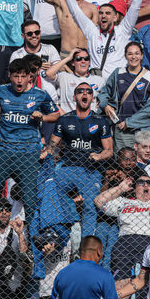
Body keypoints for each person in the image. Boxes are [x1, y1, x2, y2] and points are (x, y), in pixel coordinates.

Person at [0, 58, 59, 235]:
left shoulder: (40, 94)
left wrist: (42, 117)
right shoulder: (1, 90)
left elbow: (56, 114)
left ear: (30, 76)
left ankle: (34, 239)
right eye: (16, 76)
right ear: (10, 76)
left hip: (29, 153)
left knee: (30, 198)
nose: (19, 80)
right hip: (4, 150)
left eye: (23, 76)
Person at [40, 82, 113, 238]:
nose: (84, 94)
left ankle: (87, 242)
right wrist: (46, 153)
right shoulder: (65, 119)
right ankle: (55, 233)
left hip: (90, 170)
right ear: (74, 97)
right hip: (68, 167)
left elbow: (109, 151)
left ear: (92, 98)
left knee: (89, 205)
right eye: (80, 91)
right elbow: (53, 145)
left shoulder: (100, 121)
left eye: (88, 92)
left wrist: (99, 156)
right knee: (50, 187)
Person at [94, 172, 150, 280]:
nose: (145, 185)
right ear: (135, 188)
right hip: (125, 241)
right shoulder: (124, 202)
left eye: (149, 183)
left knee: (147, 281)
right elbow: (98, 201)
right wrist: (120, 188)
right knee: (121, 280)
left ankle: (142, 297)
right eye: (141, 183)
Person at [97, 41, 150, 151]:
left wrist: (129, 122)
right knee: (123, 161)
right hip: (121, 128)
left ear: (142, 55)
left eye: (137, 53)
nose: (133, 57)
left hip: (143, 129)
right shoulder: (118, 73)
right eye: (130, 54)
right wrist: (105, 105)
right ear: (125, 56)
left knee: (143, 162)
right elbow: (104, 92)